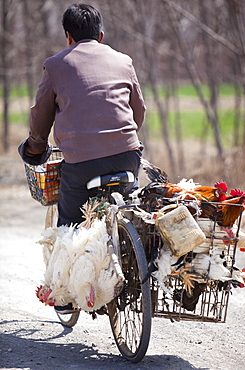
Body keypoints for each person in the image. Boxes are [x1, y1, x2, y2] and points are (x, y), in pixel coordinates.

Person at [18, 3, 146, 313]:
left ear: (68, 37)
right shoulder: (123, 60)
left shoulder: (56, 65)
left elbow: (41, 118)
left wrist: (36, 145)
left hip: (81, 164)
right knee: (128, 209)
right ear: (100, 35)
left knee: (70, 221)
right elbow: (138, 113)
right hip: (129, 156)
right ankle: (133, 262)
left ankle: (64, 296)